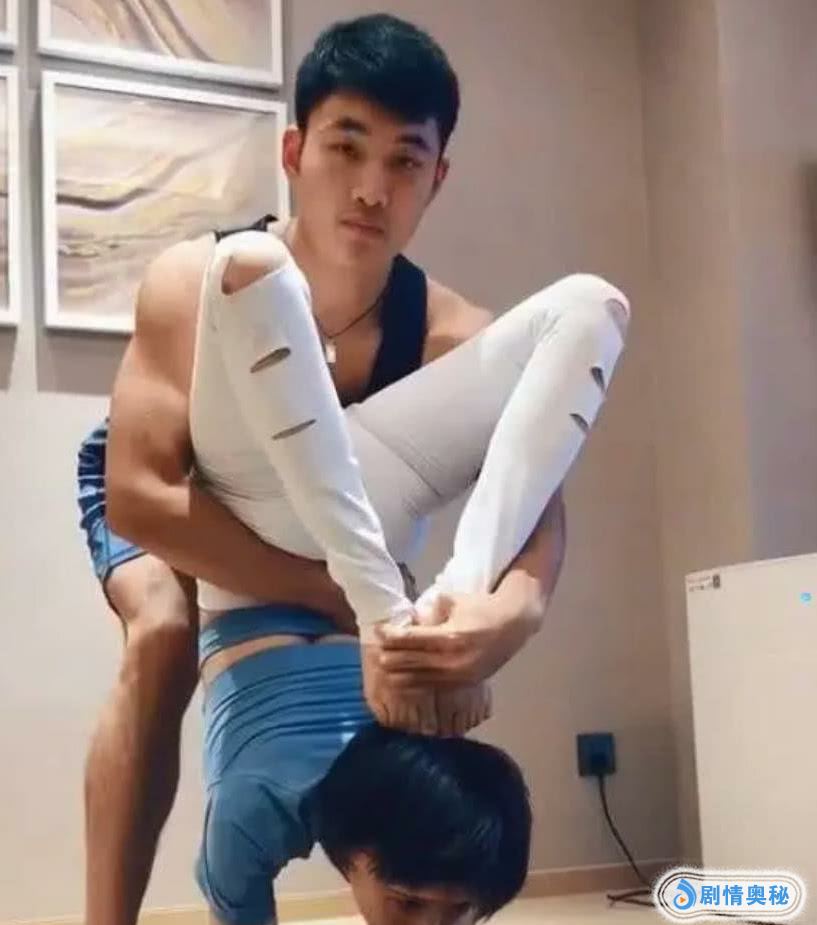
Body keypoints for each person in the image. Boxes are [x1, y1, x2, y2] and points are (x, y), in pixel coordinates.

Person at [77, 13, 628, 925]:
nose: (373, 189)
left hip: (339, 511)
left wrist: (508, 615)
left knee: (418, 634)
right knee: (164, 630)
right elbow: (140, 497)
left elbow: (535, 494)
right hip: (183, 486)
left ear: (437, 179)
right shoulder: (194, 282)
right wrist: (337, 596)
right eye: (346, 148)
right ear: (294, 152)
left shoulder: (449, 331)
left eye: (405, 161)